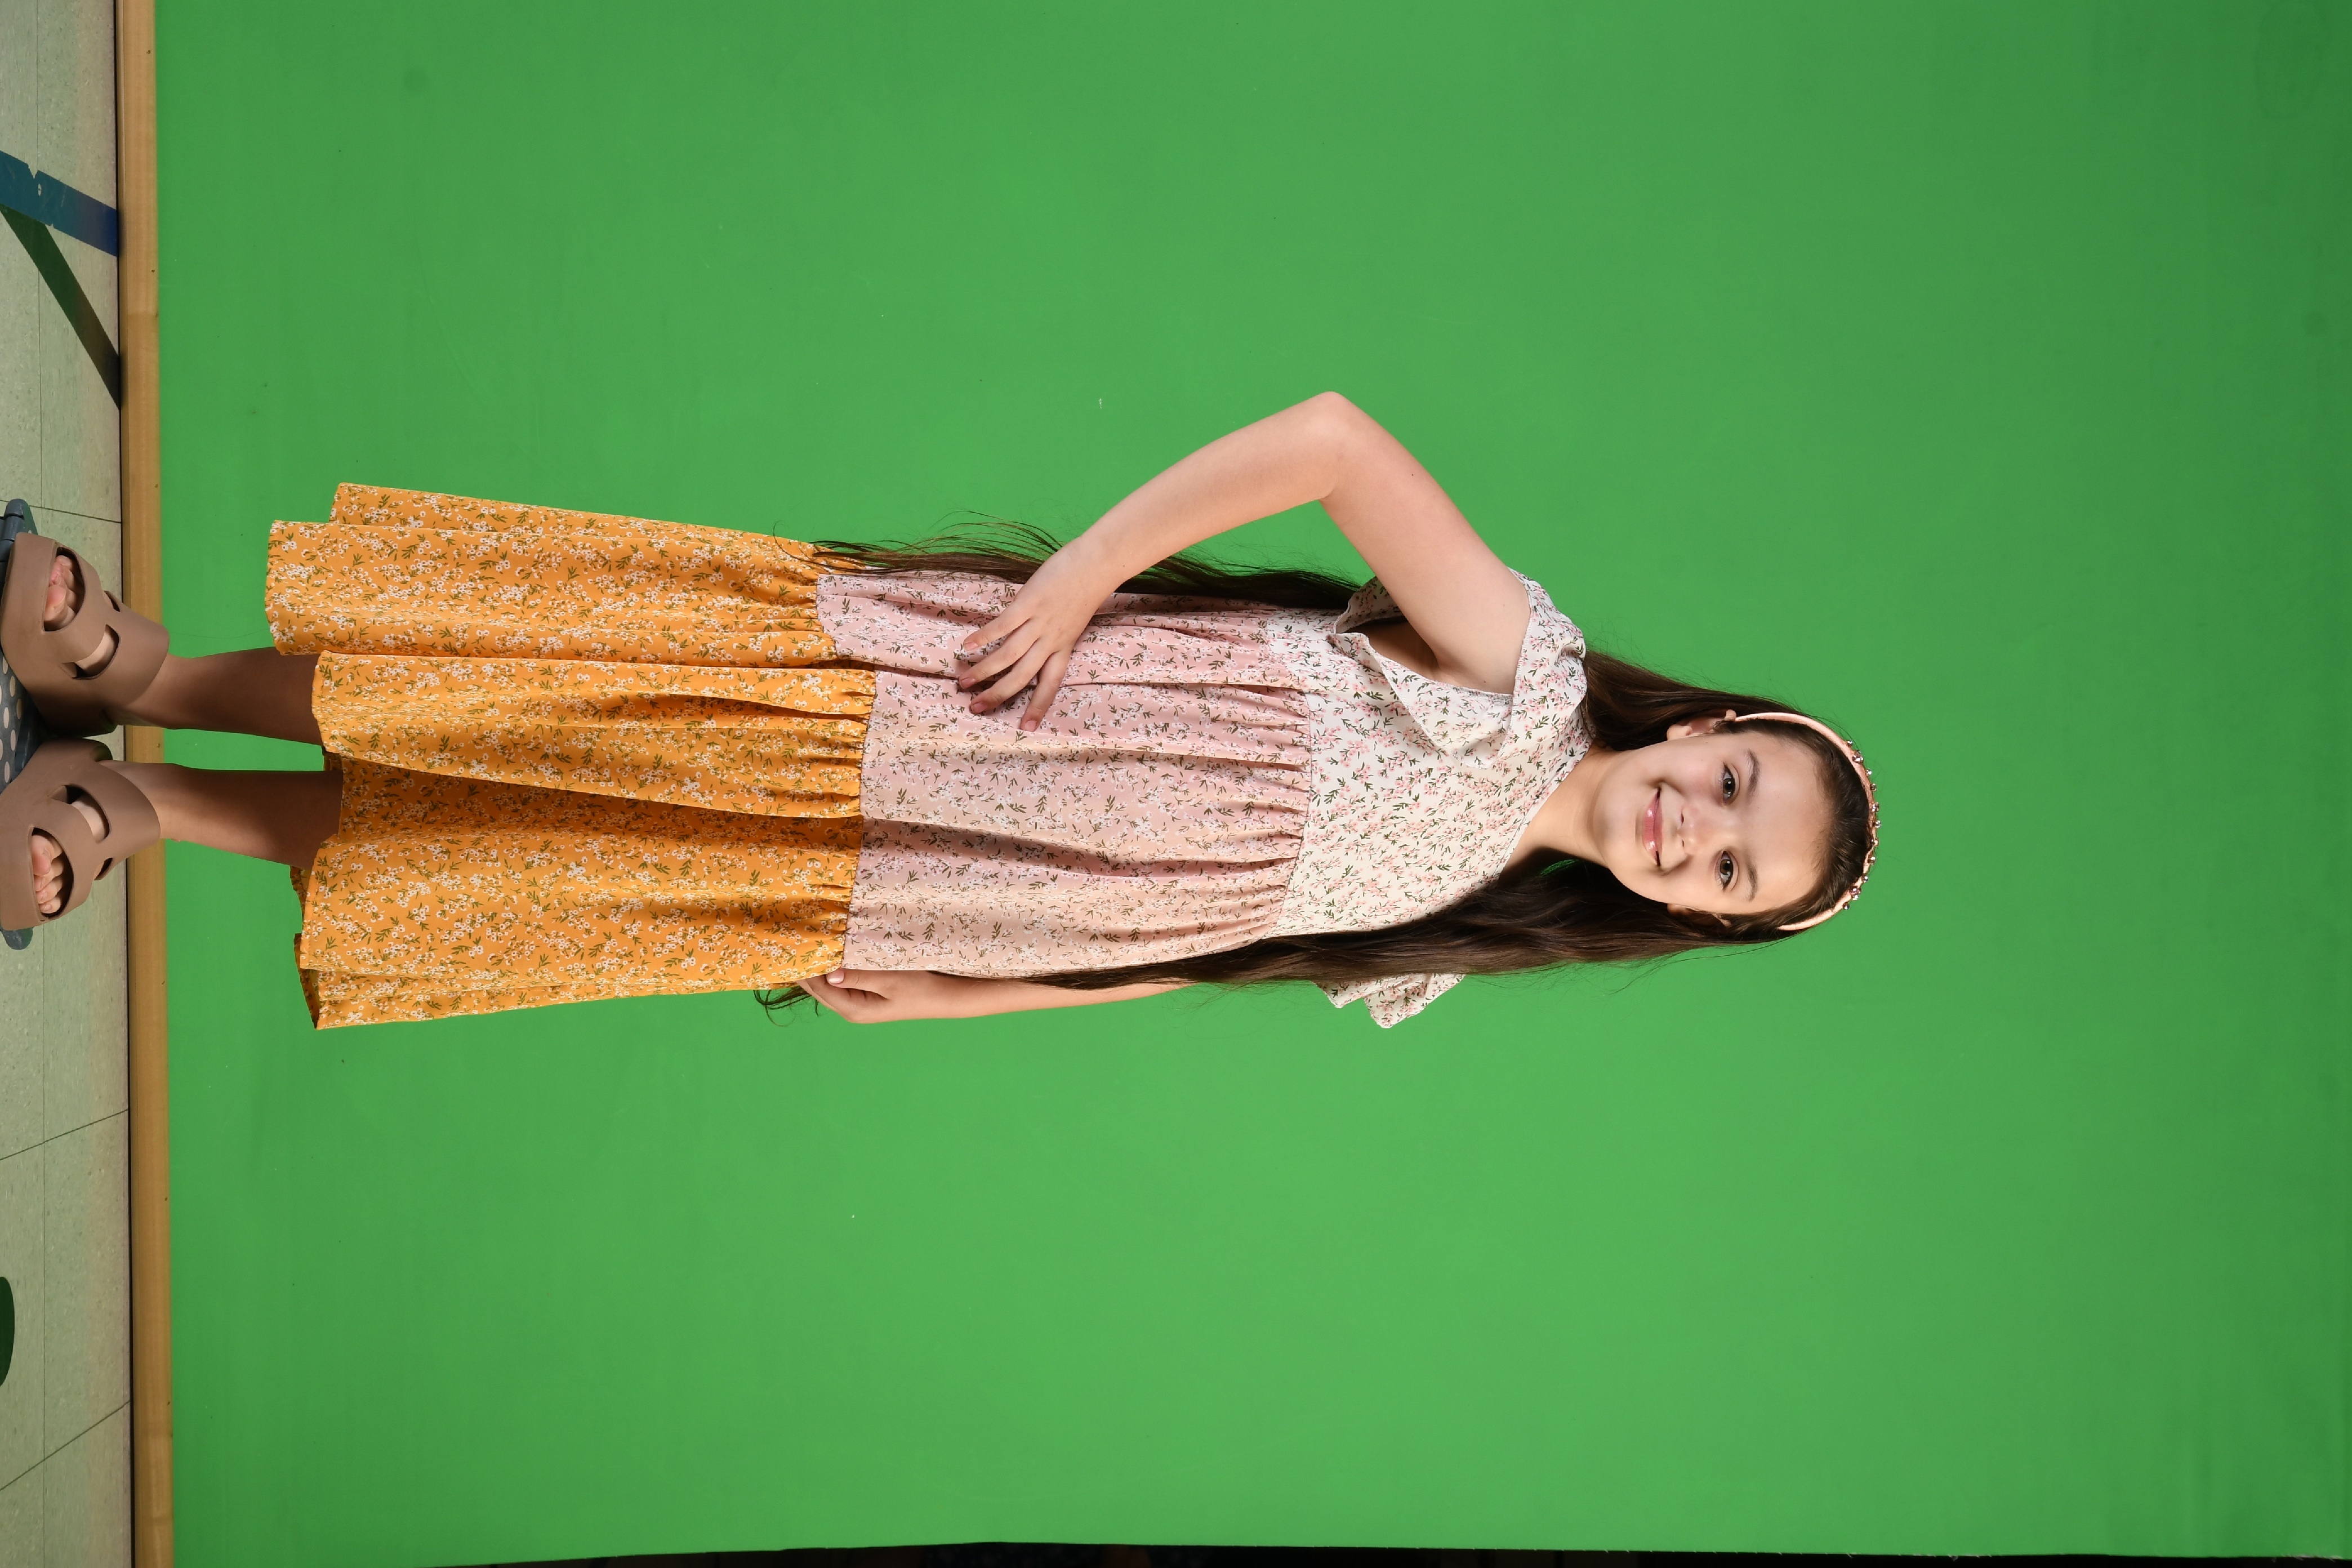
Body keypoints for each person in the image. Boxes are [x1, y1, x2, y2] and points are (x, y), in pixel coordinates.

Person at [0, 393, 1876, 1028]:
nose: (1694, 831)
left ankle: (153, 811)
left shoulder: (1466, 939)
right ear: (1701, 726)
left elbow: (1212, 953)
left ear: (1691, 917)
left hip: (967, 885)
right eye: (1731, 785)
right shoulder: (1527, 673)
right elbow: (1331, 443)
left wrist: (982, 996)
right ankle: (147, 678)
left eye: (1728, 870)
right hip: (973, 710)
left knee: (553, 845)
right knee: (561, 710)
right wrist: (1087, 576)